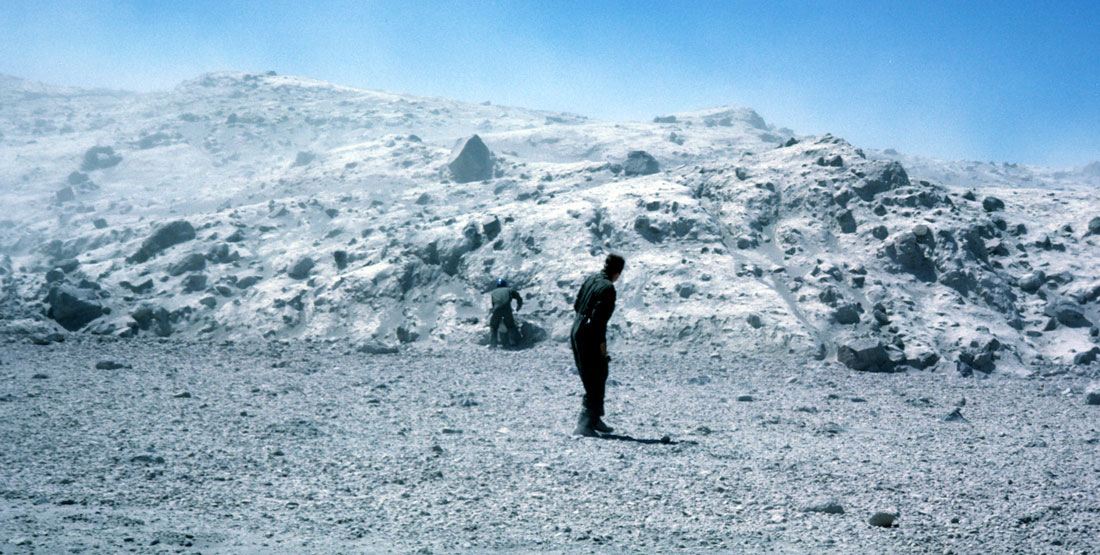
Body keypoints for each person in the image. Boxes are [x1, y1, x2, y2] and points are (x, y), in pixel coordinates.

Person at [570, 254, 624, 436]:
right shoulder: (608, 289)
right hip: (589, 335)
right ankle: (585, 423)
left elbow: (577, 305)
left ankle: (594, 419)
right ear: (617, 273)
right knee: (596, 377)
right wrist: (602, 349)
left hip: (576, 330)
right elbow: (599, 323)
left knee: (591, 376)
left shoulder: (591, 279)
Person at [488, 278, 523, 348]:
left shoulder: (493, 292)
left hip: (497, 309)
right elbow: (519, 298)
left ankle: (493, 344)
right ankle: (512, 343)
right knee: (510, 326)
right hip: (507, 309)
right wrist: (518, 307)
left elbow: (493, 304)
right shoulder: (509, 290)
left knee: (493, 327)